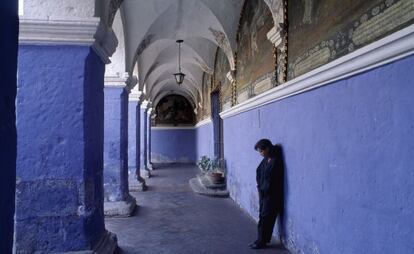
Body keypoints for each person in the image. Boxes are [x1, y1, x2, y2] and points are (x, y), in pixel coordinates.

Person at [250, 139, 284, 250]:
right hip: (263, 193)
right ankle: (260, 239)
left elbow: (273, 180)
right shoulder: (266, 160)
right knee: (262, 216)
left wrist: (265, 188)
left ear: (267, 149)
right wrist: (260, 187)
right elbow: (259, 171)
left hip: (271, 196)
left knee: (266, 218)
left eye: (261, 151)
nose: (260, 153)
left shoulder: (275, 161)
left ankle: (262, 241)